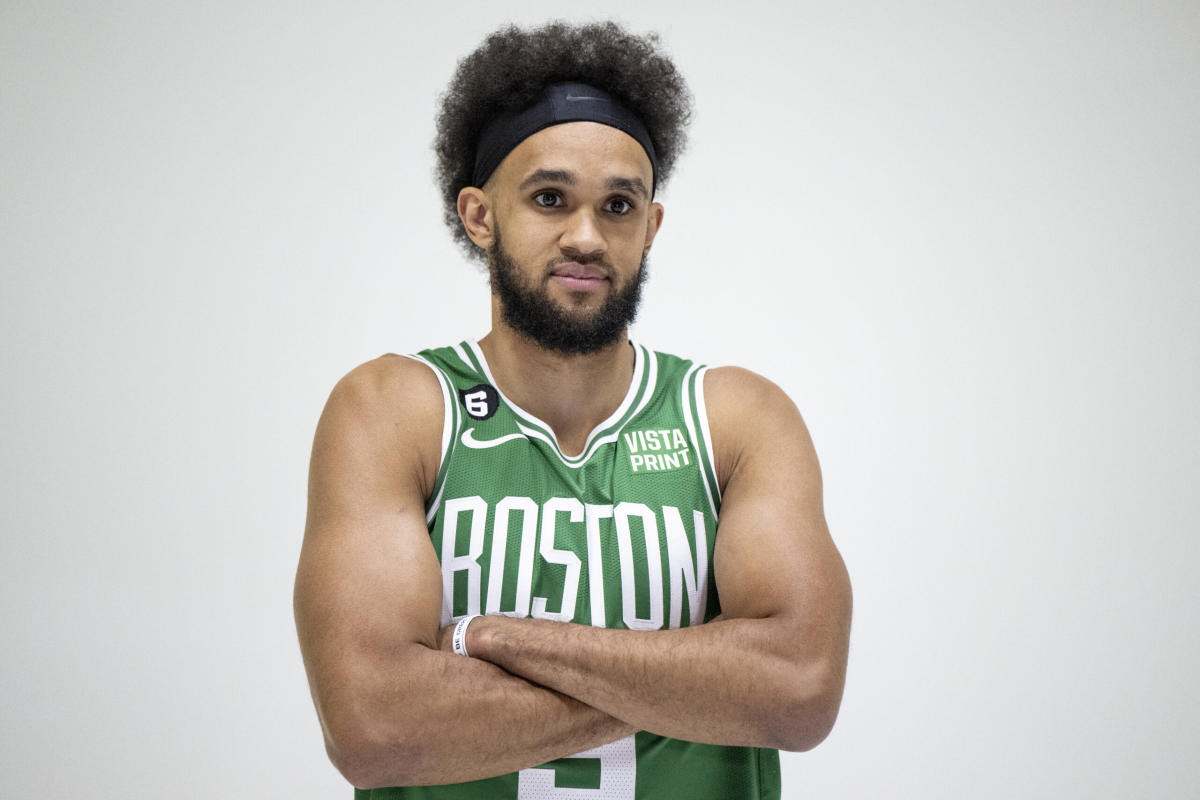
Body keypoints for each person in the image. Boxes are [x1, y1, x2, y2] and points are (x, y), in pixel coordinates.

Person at [293, 20, 852, 800]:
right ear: (481, 215)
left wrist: (493, 640)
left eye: (619, 206)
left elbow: (797, 692)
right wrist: (698, 681)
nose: (586, 236)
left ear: (650, 227)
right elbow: (376, 729)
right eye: (550, 198)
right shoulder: (394, 411)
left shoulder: (735, 420)